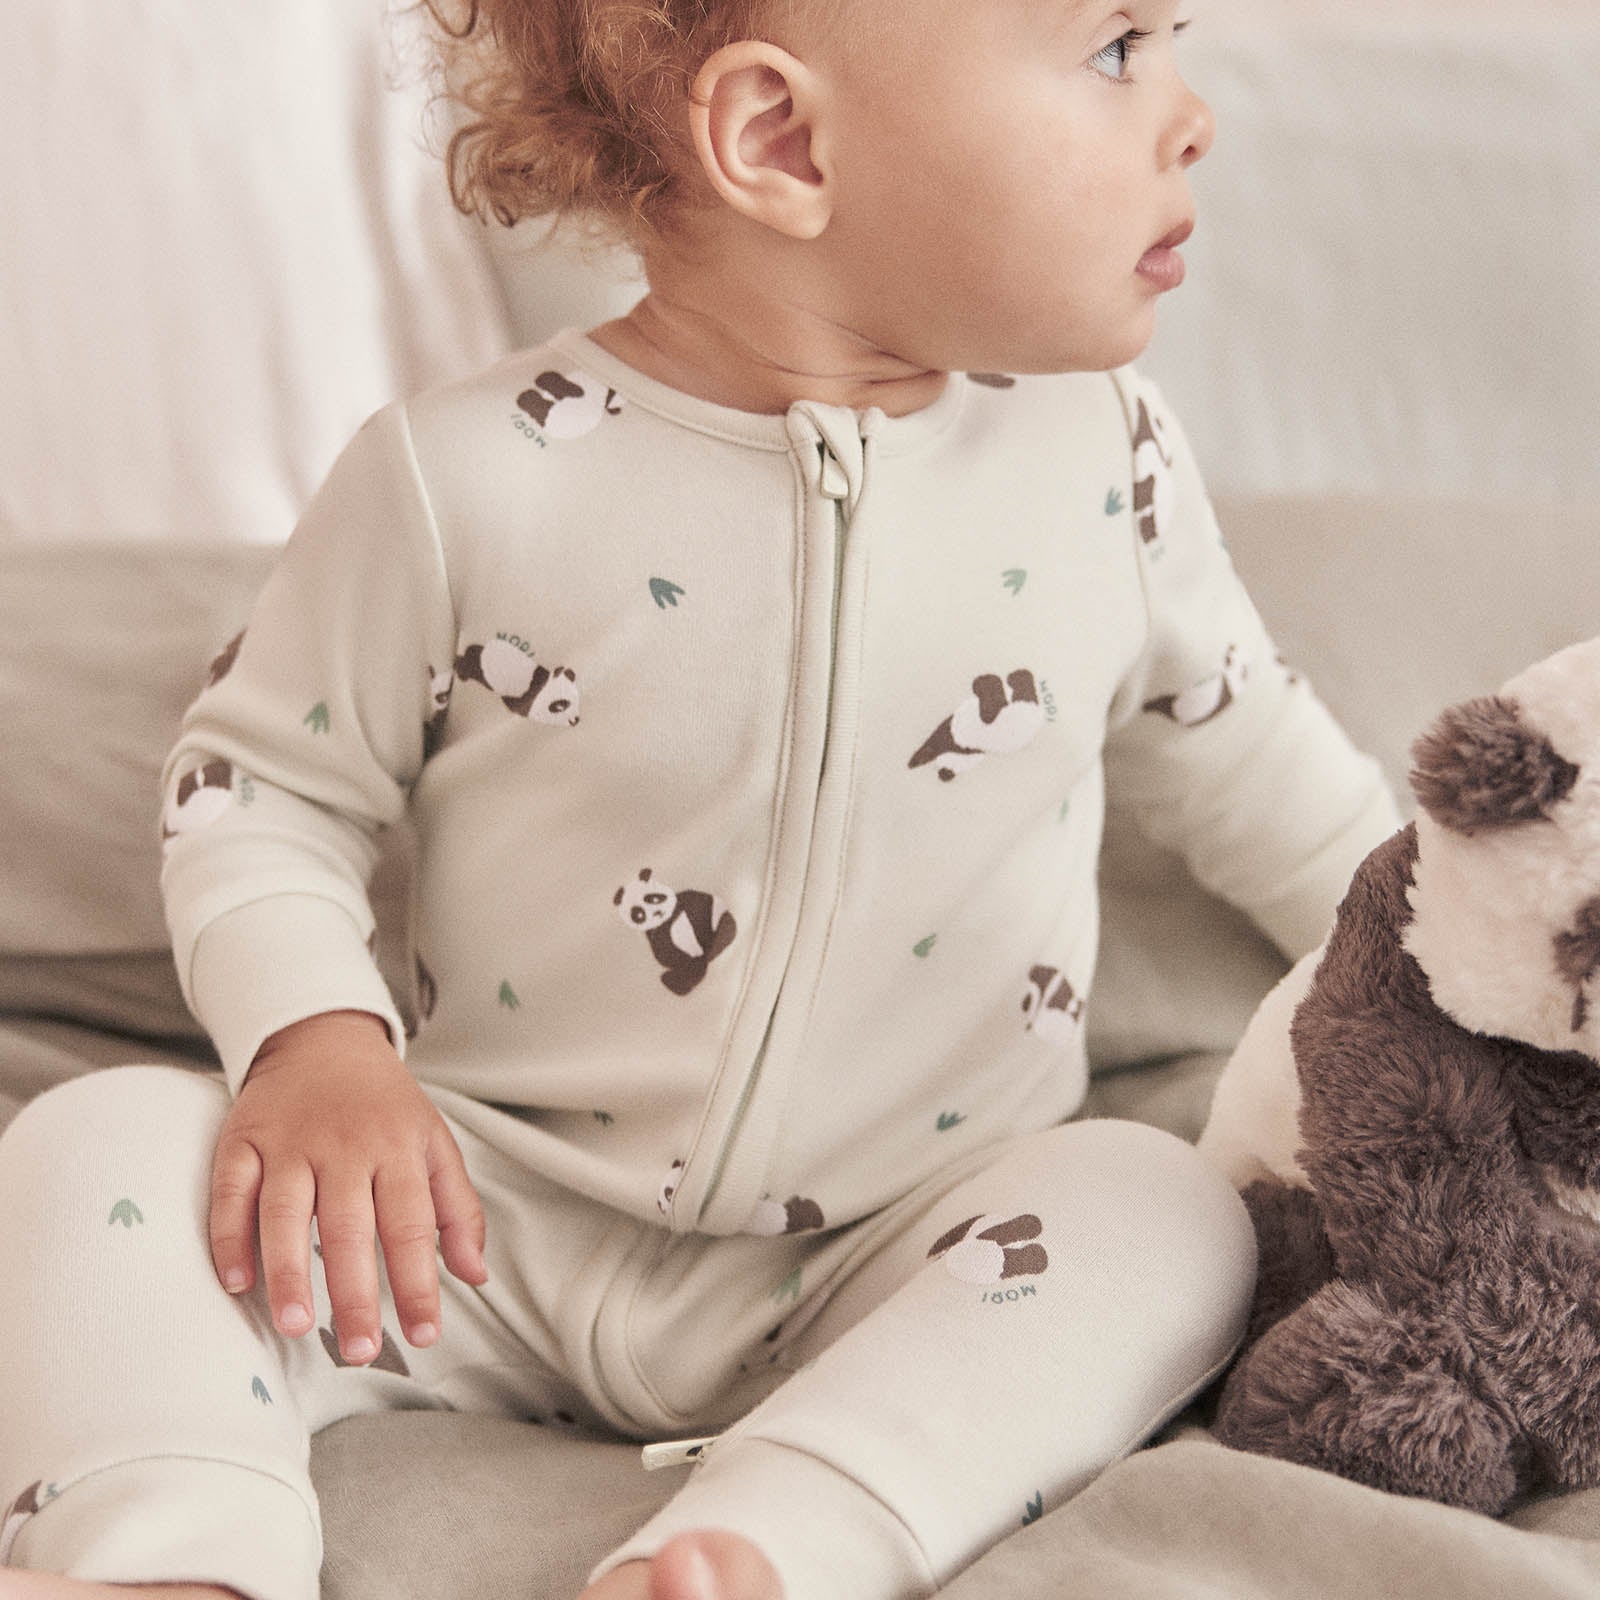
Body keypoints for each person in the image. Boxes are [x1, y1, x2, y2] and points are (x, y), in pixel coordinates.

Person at [0, 0, 1400, 1596]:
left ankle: (767, 1550)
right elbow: (257, 786)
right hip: (466, 1224)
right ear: (780, 141)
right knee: (102, 1143)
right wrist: (314, 1043)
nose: (1191, 113)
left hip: (900, 1245)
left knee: (1167, 1213)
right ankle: (173, 1558)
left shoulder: (1110, 468)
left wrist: (1479, 996)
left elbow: (1268, 780)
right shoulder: (462, 481)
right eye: (1114, 47)